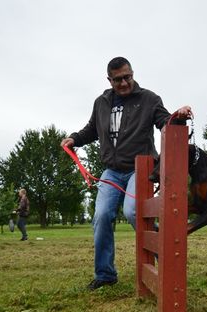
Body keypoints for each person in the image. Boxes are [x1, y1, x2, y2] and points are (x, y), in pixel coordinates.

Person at [61, 56, 192, 291]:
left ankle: (165, 253)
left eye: (127, 77)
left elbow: (164, 121)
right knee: (101, 216)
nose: (123, 83)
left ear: (132, 73)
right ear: (109, 80)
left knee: (133, 212)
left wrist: (177, 117)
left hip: (139, 168)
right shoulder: (101, 102)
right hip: (111, 171)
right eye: (117, 79)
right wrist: (75, 138)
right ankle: (105, 274)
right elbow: (92, 129)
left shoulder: (149, 99)